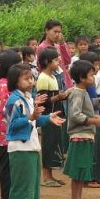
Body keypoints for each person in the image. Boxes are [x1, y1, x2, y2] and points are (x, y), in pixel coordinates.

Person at [5, 63, 64, 199]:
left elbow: (34, 121)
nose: (31, 81)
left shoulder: (29, 98)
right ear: (15, 81)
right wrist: (31, 117)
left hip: (31, 146)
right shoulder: (14, 100)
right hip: (19, 148)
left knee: (31, 185)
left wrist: (47, 118)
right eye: (26, 78)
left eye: (32, 78)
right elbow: (12, 124)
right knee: (21, 185)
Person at [62, 60, 100, 199]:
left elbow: (86, 105)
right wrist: (94, 120)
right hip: (80, 136)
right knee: (78, 171)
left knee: (82, 171)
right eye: (91, 75)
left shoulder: (81, 92)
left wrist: (98, 103)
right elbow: (76, 114)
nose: (93, 78)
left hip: (86, 135)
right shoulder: (77, 92)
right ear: (82, 78)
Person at [0, 50, 23, 199]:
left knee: (10, 165)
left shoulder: (6, 85)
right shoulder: (4, 86)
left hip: (8, 132)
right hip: (6, 133)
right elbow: (7, 110)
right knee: (6, 165)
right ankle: (6, 198)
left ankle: (10, 196)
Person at [36, 47, 68, 187]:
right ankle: (46, 176)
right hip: (47, 116)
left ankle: (51, 175)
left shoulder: (53, 76)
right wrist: (58, 97)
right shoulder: (43, 78)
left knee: (54, 143)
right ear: (46, 62)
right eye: (55, 60)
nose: (58, 61)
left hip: (55, 115)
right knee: (48, 144)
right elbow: (43, 100)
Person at [37, 20, 73, 88]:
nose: (57, 34)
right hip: (54, 84)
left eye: (59, 32)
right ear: (46, 30)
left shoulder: (58, 46)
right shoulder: (42, 47)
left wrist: (62, 44)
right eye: (55, 31)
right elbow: (41, 68)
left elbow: (67, 61)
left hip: (65, 82)